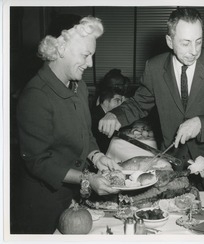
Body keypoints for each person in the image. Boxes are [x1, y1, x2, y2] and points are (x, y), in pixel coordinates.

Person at [99, 8, 204, 194]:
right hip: (173, 164)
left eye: (198, 42)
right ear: (170, 41)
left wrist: (201, 123)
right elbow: (139, 103)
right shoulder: (154, 67)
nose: (194, 51)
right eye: (185, 43)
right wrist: (115, 114)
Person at [15, 16, 121, 234]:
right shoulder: (35, 96)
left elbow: (85, 133)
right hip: (42, 207)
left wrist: (96, 156)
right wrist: (88, 178)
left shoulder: (78, 86)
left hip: (72, 199)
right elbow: (39, 162)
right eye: (86, 55)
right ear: (60, 48)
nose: (90, 64)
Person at [91, 69, 128, 153]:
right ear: (105, 100)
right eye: (117, 100)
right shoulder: (96, 120)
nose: (120, 105)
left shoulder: (103, 112)